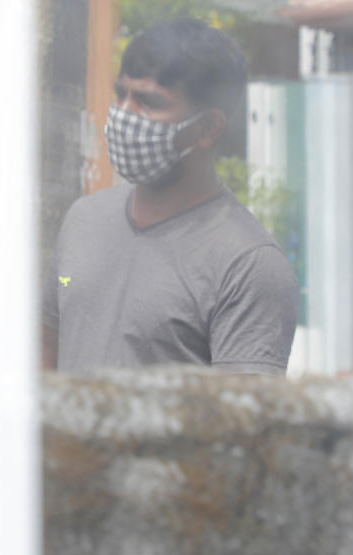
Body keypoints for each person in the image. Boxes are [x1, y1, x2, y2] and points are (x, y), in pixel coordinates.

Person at [43, 19, 299, 374]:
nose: (123, 114)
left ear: (207, 128)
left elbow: (243, 423)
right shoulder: (83, 219)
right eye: (121, 94)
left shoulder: (248, 265)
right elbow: (45, 356)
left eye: (148, 102)